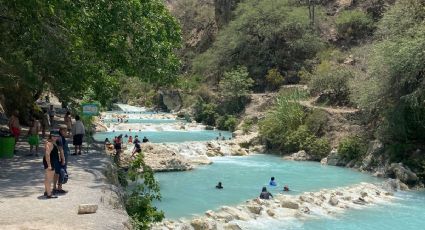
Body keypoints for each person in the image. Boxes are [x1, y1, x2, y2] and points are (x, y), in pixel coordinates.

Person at [43, 134, 58, 198]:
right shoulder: (49, 144)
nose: (55, 137)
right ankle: (49, 194)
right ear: (51, 136)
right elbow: (47, 154)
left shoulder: (51, 143)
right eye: (53, 136)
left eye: (56, 136)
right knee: (49, 178)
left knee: (47, 177)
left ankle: (46, 191)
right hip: (50, 162)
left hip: (50, 161)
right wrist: (49, 165)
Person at [55, 125, 69, 194]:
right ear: (61, 131)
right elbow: (61, 150)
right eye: (65, 131)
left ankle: (57, 188)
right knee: (62, 173)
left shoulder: (62, 138)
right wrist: (63, 159)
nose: (67, 132)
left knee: (60, 173)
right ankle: (59, 188)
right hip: (61, 159)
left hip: (64, 158)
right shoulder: (60, 139)